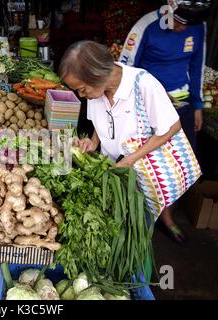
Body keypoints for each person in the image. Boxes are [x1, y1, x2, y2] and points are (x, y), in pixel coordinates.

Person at [59, 41, 183, 240]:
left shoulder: (143, 84)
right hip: (114, 174)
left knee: (138, 231)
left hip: (143, 178)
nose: (81, 96)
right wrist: (93, 143)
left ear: (97, 75)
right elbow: (101, 123)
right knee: (117, 229)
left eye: (82, 89)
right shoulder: (95, 94)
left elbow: (172, 127)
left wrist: (131, 159)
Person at [119, 0, 211, 242]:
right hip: (147, 108)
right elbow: (124, 69)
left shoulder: (199, 26)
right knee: (144, 163)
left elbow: (197, 65)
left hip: (182, 107)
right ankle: (138, 219)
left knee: (179, 167)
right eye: (180, 21)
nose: (184, 28)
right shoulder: (145, 27)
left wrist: (198, 104)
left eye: (189, 23)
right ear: (168, 11)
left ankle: (167, 215)